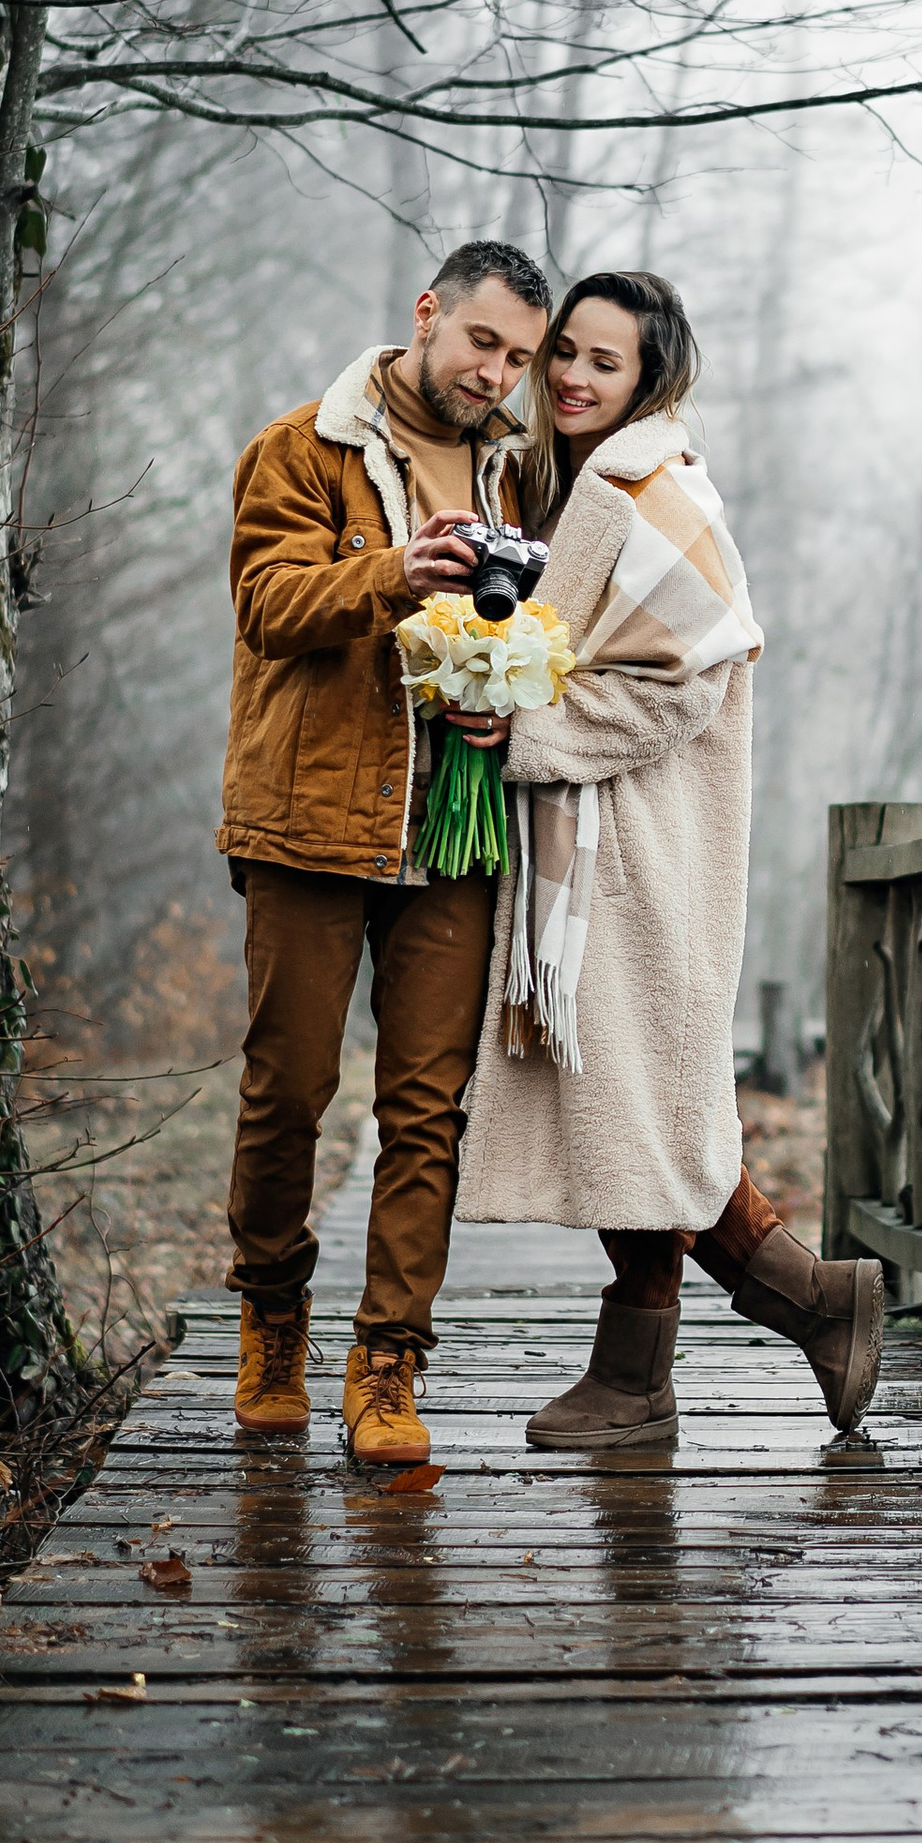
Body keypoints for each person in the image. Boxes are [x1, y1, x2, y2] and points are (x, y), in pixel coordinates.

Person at [456, 269, 883, 1447]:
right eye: (568, 358)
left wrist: (526, 724)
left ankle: (653, 1372)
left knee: (635, 1107)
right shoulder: (562, 480)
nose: (577, 378)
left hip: (639, 845)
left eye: (606, 362)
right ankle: (806, 1305)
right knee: (630, 1107)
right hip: (584, 837)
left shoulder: (652, 487)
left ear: (651, 378)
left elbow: (680, 679)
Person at [217, 241, 550, 1467]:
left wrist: (504, 702)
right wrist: (397, 572)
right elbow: (269, 606)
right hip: (309, 819)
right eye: (483, 343)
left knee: (427, 1111)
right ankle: (271, 1319)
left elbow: (544, 633)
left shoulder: (520, 473)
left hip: (453, 829)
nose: (497, 372)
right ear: (428, 316)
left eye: (518, 355)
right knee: (286, 1092)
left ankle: (388, 1367)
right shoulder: (302, 446)